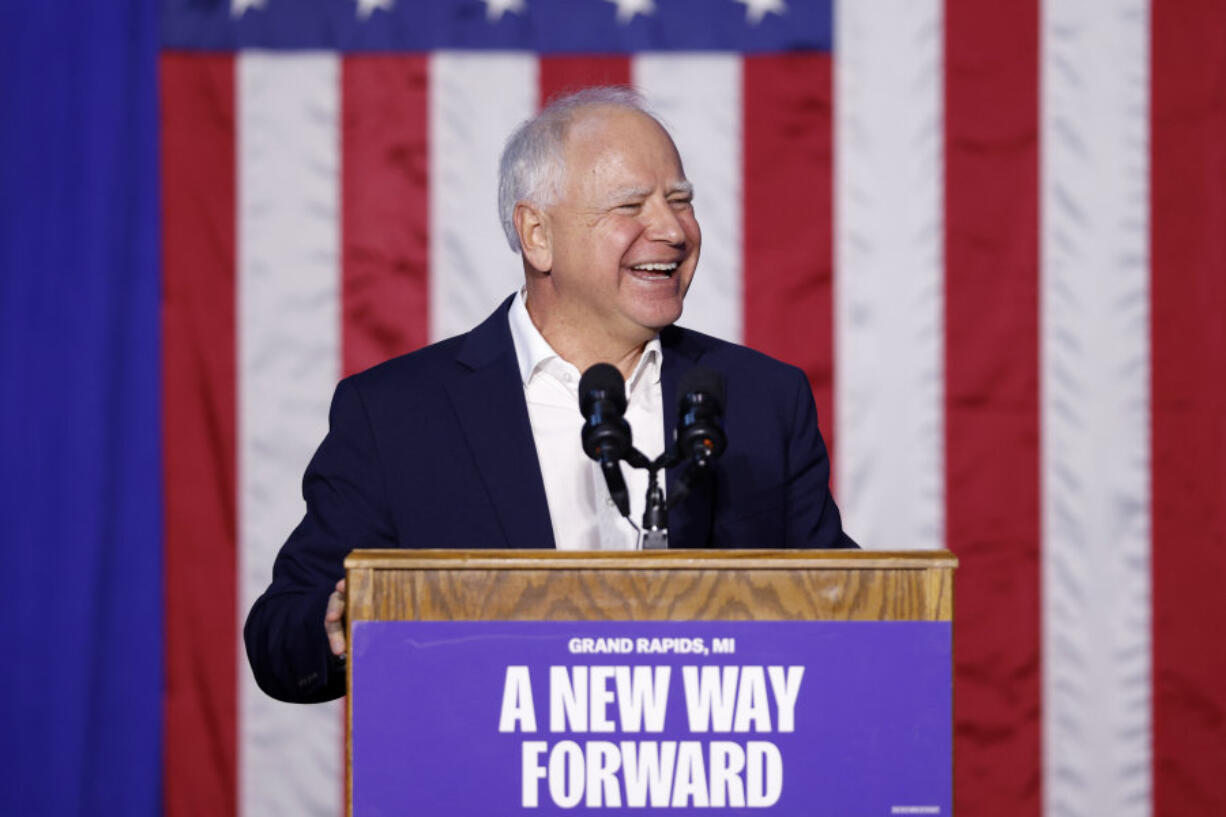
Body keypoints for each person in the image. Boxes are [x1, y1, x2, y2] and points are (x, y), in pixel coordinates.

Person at [244, 87, 856, 704]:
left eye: (680, 201)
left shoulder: (761, 398)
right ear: (537, 235)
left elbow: (848, 612)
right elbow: (280, 634)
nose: (672, 230)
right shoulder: (399, 414)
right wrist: (338, 624)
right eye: (630, 205)